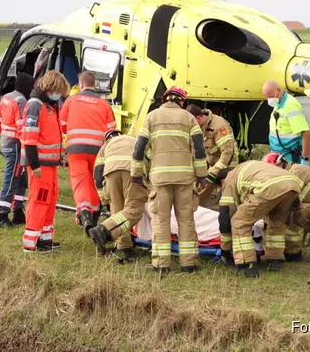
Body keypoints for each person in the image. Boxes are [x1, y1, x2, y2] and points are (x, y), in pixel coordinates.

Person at [131, 86, 206, 273]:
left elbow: (139, 148)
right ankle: (189, 263)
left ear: (165, 100)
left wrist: (136, 174)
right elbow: (199, 148)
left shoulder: (151, 117)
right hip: (185, 178)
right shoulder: (189, 118)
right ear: (182, 102)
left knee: (161, 220)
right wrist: (202, 174)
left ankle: (161, 263)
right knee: (186, 219)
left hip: (160, 178)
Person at [214, 160, 302, 278]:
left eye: (220, 188)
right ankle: (275, 260)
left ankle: (246, 264)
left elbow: (225, 215)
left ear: (221, 181)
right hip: (292, 184)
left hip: (268, 186)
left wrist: (225, 249)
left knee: (240, 222)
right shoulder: (248, 169)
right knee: (275, 220)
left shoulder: (229, 179)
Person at [60, 71, 117, 233]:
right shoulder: (104, 104)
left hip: (76, 148)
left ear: (81, 84)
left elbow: (62, 125)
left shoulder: (71, 101)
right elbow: (112, 130)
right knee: (94, 181)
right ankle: (93, 214)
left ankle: (84, 213)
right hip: (98, 150)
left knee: (80, 181)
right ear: (95, 85)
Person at [21, 71, 70, 253]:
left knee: (50, 200)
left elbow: (53, 136)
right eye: (58, 91)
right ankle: (30, 243)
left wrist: (60, 157)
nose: (59, 96)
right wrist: (34, 165)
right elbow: (29, 137)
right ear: (51, 88)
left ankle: (45, 240)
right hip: (39, 165)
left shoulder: (49, 105)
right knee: (39, 200)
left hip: (49, 164)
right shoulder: (36, 105)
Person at [88, 130, 150, 262]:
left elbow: (97, 174)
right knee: (134, 209)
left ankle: (124, 246)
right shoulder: (132, 139)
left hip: (110, 173)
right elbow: (148, 161)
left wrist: (104, 199)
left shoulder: (106, 146)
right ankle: (104, 231)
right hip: (133, 171)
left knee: (117, 210)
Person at [0, 73, 34, 228]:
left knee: (21, 180)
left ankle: (18, 211)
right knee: (11, 179)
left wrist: (5, 137)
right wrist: (26, 148)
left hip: (6, 144)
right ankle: (2, 215)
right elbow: (22, 128)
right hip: (16, 146)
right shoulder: (21, 101)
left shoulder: (6, 97)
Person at [186, 104, 239, 208]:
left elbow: (227, 152)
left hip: (227, 166)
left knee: (225, 199)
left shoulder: (219, 125)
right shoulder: (198, 126)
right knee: (198, 194)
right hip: (211, 163)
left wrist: (213, 172)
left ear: (198, 118)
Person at [261, 80, 310, 166]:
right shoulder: (279, 102)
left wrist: (305, 158)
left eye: (271, 96)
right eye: (267, 98)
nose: (270, 100)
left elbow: (305, 132)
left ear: (278, 90)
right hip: (277, 154)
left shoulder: (291, 106)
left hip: (289, 156)